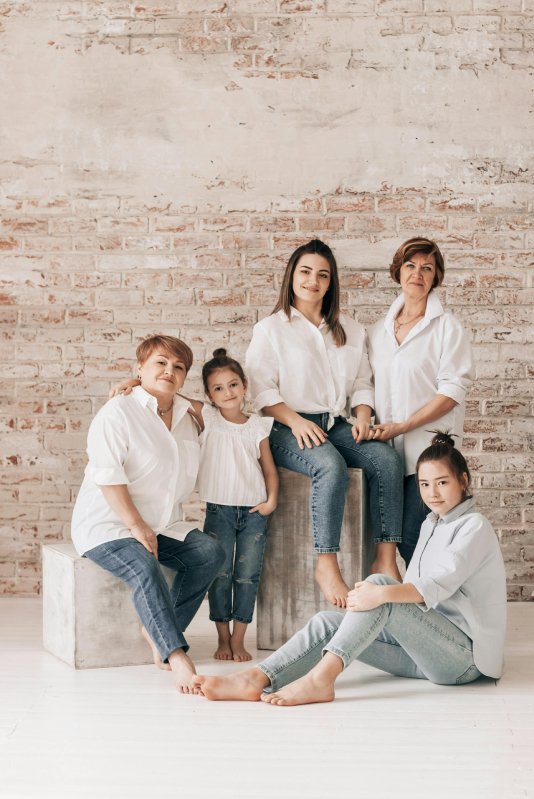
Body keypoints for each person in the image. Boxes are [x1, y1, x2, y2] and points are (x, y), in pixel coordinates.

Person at [192, 432, 507, 705]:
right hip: (423, 651)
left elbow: (435, 586)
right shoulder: (431, 524)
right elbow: (414, 598)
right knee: (327, 622)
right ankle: (255, 678)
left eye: (442, 483)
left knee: (381, 584)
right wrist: (376, 599)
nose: (432, 493)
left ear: (463, 480)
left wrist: (378, 593)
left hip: (462, 661)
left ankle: (322, 680)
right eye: (424, 484)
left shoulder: (474, 526)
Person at [245, 239, 405, 608]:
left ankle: (385, 558)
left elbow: (363, 382)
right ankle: (326, 564)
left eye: (323, 274)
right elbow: (261, 390)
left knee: (386, 459)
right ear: (291, 276)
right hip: (283, 426)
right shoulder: (270, 329)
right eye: (305, 271)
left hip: (333, 424)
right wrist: (295, 421)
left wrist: (362, 416)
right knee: (329, 465)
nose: (313, 281)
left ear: (331, 282)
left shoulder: (350, 329)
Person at [71, 335, 225, 694]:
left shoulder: (189, 418)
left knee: (209, 553)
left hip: (163, 523)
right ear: (140, 367)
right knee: (144, 566)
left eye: (178, 367)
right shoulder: (117, 412)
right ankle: (176, 655)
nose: (169, 370)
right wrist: (136, 525)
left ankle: (158, 630)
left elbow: (229, 415)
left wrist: (155, 387)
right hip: (109, 524)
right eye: (160, 363)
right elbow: (108, 477)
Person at [367, 237, 475, 567]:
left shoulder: (447, 328)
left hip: (428, 454)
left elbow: (452, 393)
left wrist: (403, 426)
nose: (417, 273)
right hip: (387, 456)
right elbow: (365, 386)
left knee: (415, 536)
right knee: (397, 538)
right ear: (398, 272)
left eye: (427, 268)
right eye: (410, 265)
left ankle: (438, 595)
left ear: (435, 276)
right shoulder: (377, 332)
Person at [195, 348, 278, 663]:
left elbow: (269, 469)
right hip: (219, 512)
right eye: (218, 388)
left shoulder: (258, 426)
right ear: (209, 395)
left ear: (244, 385)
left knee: (247, 576)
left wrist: (271, 501)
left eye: (232, 385)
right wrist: (133, 382)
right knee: (220, 574)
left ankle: (239, 639)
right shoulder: (208, 418)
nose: (227, 392)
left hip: (254, 512)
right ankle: (223, 638)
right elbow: (169, 395)